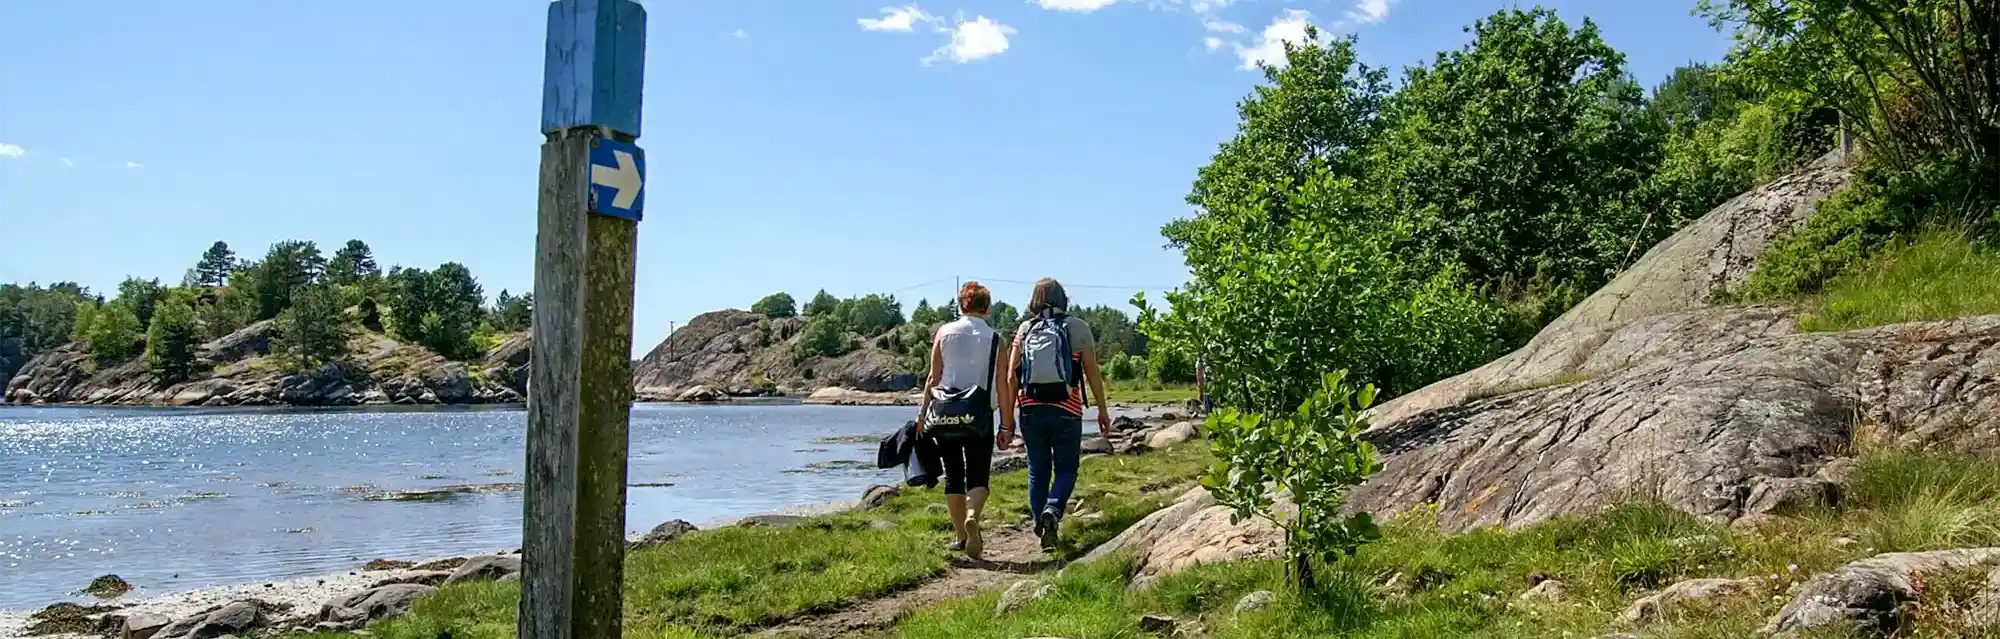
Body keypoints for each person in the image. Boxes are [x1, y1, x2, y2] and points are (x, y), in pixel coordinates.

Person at [998, 278, 1111, 551]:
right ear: (1063, 298)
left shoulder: (1025, 329)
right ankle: (1053, 510)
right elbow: (1092, 373)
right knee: (1067, 468)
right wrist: (1102, 410)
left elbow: (1013, 377)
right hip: (1066, 409)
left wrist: (1007, 421)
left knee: (1038, 470)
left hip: (1030, 408)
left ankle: (1042, 525)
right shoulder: (1078, 327)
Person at [916, 281, 1004, 559]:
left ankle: (960, 537)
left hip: (945, 413)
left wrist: (922, 414)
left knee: (953, 475)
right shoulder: (995, 339)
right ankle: (972, 515)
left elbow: (933, 377)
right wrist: (1007, 423)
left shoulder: (944, 332)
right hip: (980, 414)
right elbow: (1003, 384)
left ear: (961, 305)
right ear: (986, 308)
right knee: (978, 474)